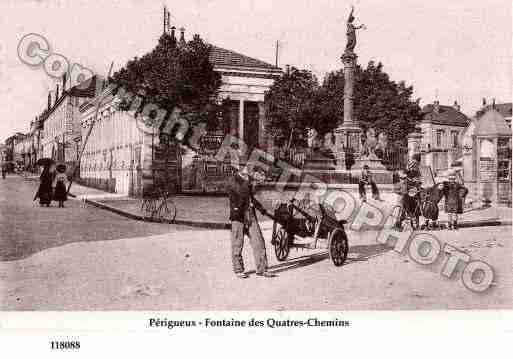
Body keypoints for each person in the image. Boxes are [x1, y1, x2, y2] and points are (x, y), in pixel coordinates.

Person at [227, 165, 274, 279]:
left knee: (258, 241)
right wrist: (252, 182)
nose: (249, 170)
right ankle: (238, 269)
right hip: (238, 216)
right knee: (237, 243)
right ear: (239, 168)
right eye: (246, 167)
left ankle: (262, 269)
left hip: (250, 215)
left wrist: (263, 210)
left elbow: (251, 198)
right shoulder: (233, 180)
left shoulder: (247, 181)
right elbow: (242, 192)